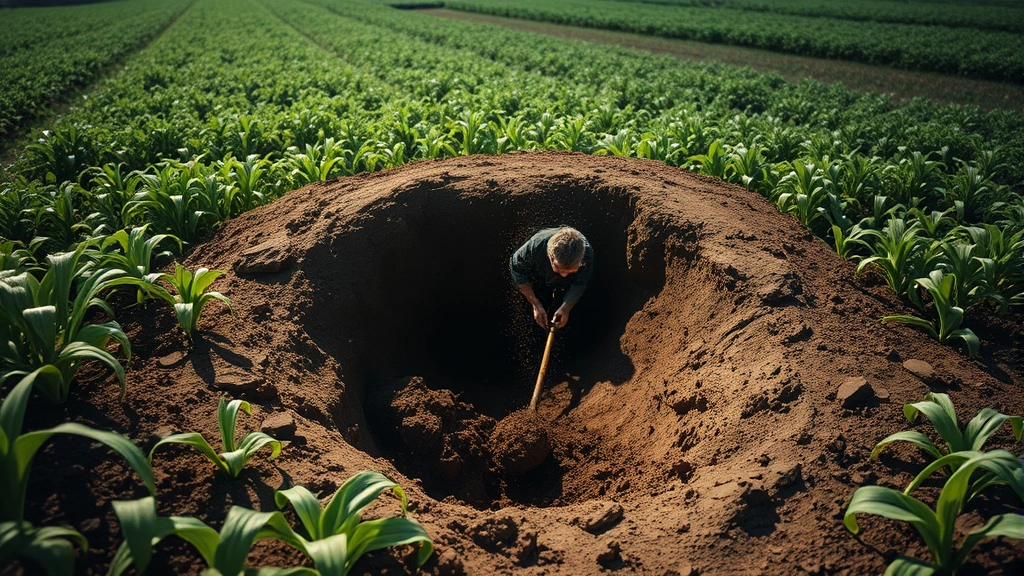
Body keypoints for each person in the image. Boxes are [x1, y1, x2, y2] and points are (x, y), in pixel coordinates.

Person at [510, 226, 594, 330]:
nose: (564, 275)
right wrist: (535, 304)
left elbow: (580, 283)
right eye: (560, 269)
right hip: (539, 271)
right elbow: (517, 270)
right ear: (550, 256)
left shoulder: (586, 254)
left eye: (571, 270)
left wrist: (566, 308)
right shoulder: (534, 247)